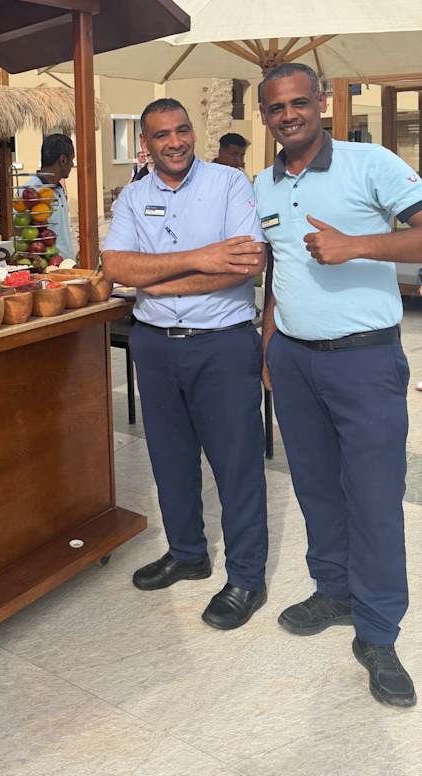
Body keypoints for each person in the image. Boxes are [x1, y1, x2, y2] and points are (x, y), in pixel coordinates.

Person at [256, 62, 422, 709]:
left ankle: (378, 633)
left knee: (374, 498)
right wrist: (269, 345)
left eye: (299, 102)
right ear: (266, 116)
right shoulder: (263, 185)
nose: (289, 115)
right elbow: (278, 271)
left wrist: (357, 246)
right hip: (294, 361)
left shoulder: (369, 163)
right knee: (316, 487)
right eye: (277, 107)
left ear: (321, 103)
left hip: (364, 361)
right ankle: (334, 592)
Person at [102, 98, 268, 629]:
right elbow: (116, 266)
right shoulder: (133, 196)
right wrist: (200, 257)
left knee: (236, 463)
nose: (174, 142)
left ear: (192, 132)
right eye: (161, 134)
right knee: (169, 457)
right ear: (145, 144)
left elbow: (245, 265)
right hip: (154, 344)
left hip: (221, 343)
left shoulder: (229, 184)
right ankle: (188, 553)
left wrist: (156, 278)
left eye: (182, 130)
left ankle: (247, 577)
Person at [24, 134, 75, 261]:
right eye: (72, 159)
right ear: (63, 160)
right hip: (46, 267)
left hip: (66, 265)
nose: (73, 164)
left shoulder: (59, 189)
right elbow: (21, 234)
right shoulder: (31, 191)